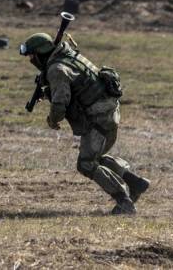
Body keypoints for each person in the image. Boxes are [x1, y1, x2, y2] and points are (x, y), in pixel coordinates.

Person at [19, 32, 150, 215]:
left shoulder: (56, 69)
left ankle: (124, 201)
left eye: (32, 56)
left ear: (40, 54)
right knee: (95, 157)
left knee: (86, 163)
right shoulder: (69, 55)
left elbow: (60, 101)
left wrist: (53, 119)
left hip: (98, 118)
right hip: (110, 111)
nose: (31, 60)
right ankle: (136, 182)